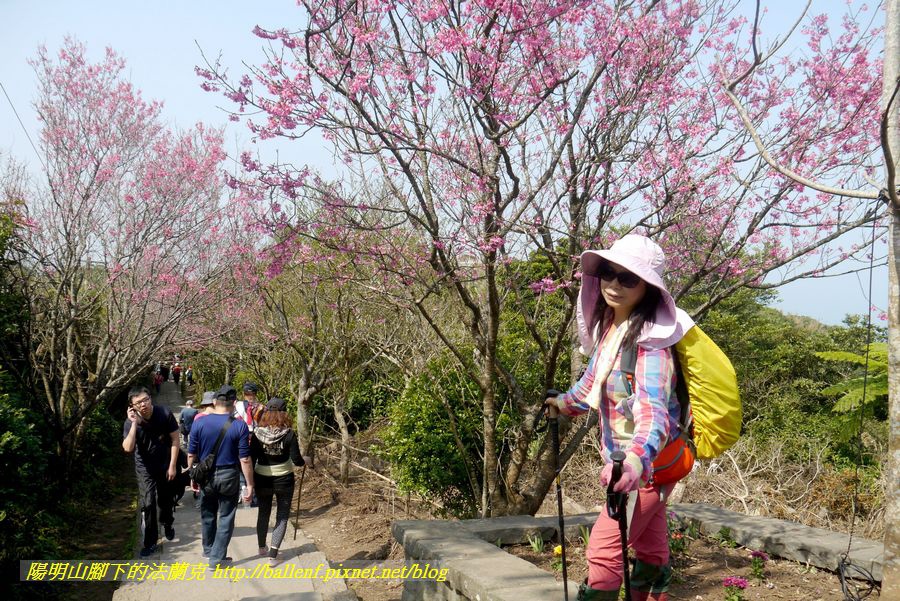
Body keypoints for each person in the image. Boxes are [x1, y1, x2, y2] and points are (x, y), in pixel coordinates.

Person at [544, 235, 693, 601]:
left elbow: (654, 413)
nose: (614, 284)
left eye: (628, 278)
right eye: (609, 273)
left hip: (645, 467)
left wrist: (634, 462)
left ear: (648, 288)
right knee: (651, 546)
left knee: (603, 550)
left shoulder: (651, 345)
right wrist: (561, 403)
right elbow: (590, 386)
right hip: (645, 466)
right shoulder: (613, 328)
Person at [187, 385, 254, 568]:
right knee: (226, 517)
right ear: (234, 402)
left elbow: (191, 454)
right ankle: (216, 559)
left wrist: (192, 476)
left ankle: (209, 550)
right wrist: (249, 484)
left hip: (206, 475)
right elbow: (245, 459)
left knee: (207, 513)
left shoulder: (199, 422)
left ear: (215, 401)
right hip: (229, 476)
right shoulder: (239, 425)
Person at [122, 385, 181, 558]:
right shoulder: (130, 422)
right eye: (138, 403)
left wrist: (172, 465)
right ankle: (150, 542)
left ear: (150, 398)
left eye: (145, 400)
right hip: (144, 469)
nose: (143, 404)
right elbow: (128, 448)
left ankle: (167, 523)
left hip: (165, 465)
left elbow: (175, 439)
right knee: (148, 504)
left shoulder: (164, 413)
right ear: (132, 406)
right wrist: (134, 423)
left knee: (166, 500)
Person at [250, 398, 304, 566]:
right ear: (284, 413)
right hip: (284, 479)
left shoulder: (257, 433)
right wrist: (306, 460)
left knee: (263, 512)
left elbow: (251, 458)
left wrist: (249, 482)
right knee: (282, 515)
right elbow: (297, 460)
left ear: (266, 412)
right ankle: (273, 555)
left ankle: (261, 548)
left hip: (262, 478)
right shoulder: (289, 434)